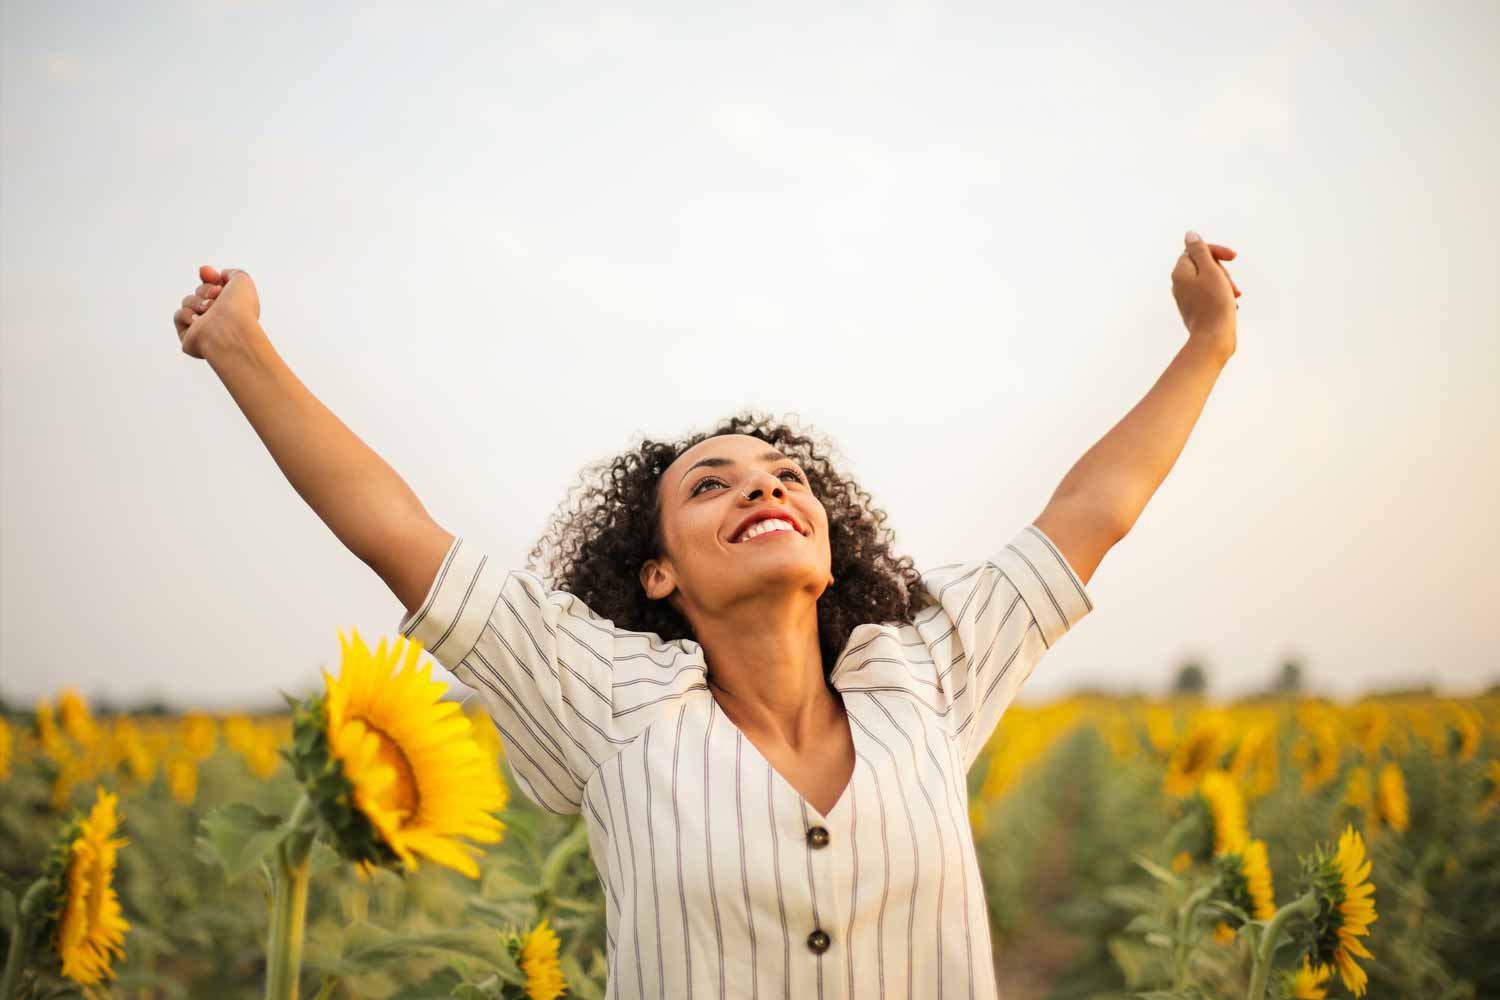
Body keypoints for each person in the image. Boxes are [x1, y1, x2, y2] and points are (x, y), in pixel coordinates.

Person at [169, 231, 1240, 999]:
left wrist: (1206, 345)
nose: (765, 489)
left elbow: (1092, 513)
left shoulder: (925, 673)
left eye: (785, 477)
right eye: (711, 485)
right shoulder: (609, 705)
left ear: (831, 545)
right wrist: (241, 347)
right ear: (657, 576)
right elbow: (395, 533)